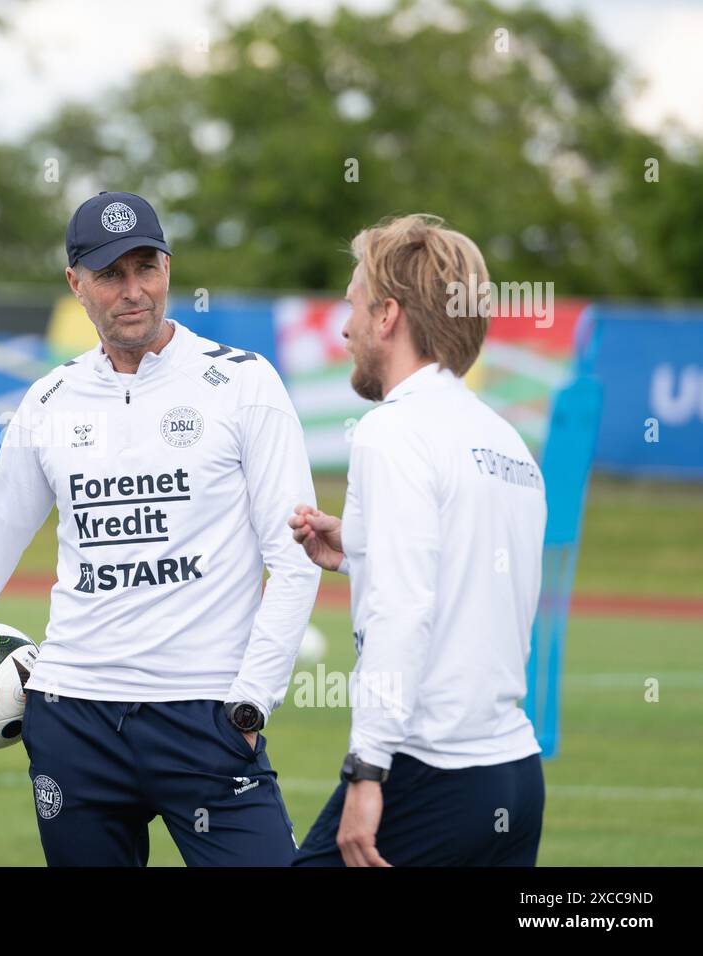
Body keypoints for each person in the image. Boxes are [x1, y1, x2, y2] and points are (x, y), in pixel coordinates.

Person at [0, 191, 321, 866]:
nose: (134, 290)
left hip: (206, 718)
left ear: (168, 267)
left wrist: (250, 707)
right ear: (75, 284)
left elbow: (295, 557)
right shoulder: (48, 402)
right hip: (73, 719)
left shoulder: (242, 383)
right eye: (111, 274)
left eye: (148, 267)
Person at [289, 214, 546, 867]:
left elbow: (404, 606)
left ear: (387, 317)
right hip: (514, 774)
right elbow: (465, 569)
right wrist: (354, 549)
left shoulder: (392, 430)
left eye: (351, 305)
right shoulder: (506, 441)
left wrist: (366, 772)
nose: (344, 328)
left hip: (430, 773)